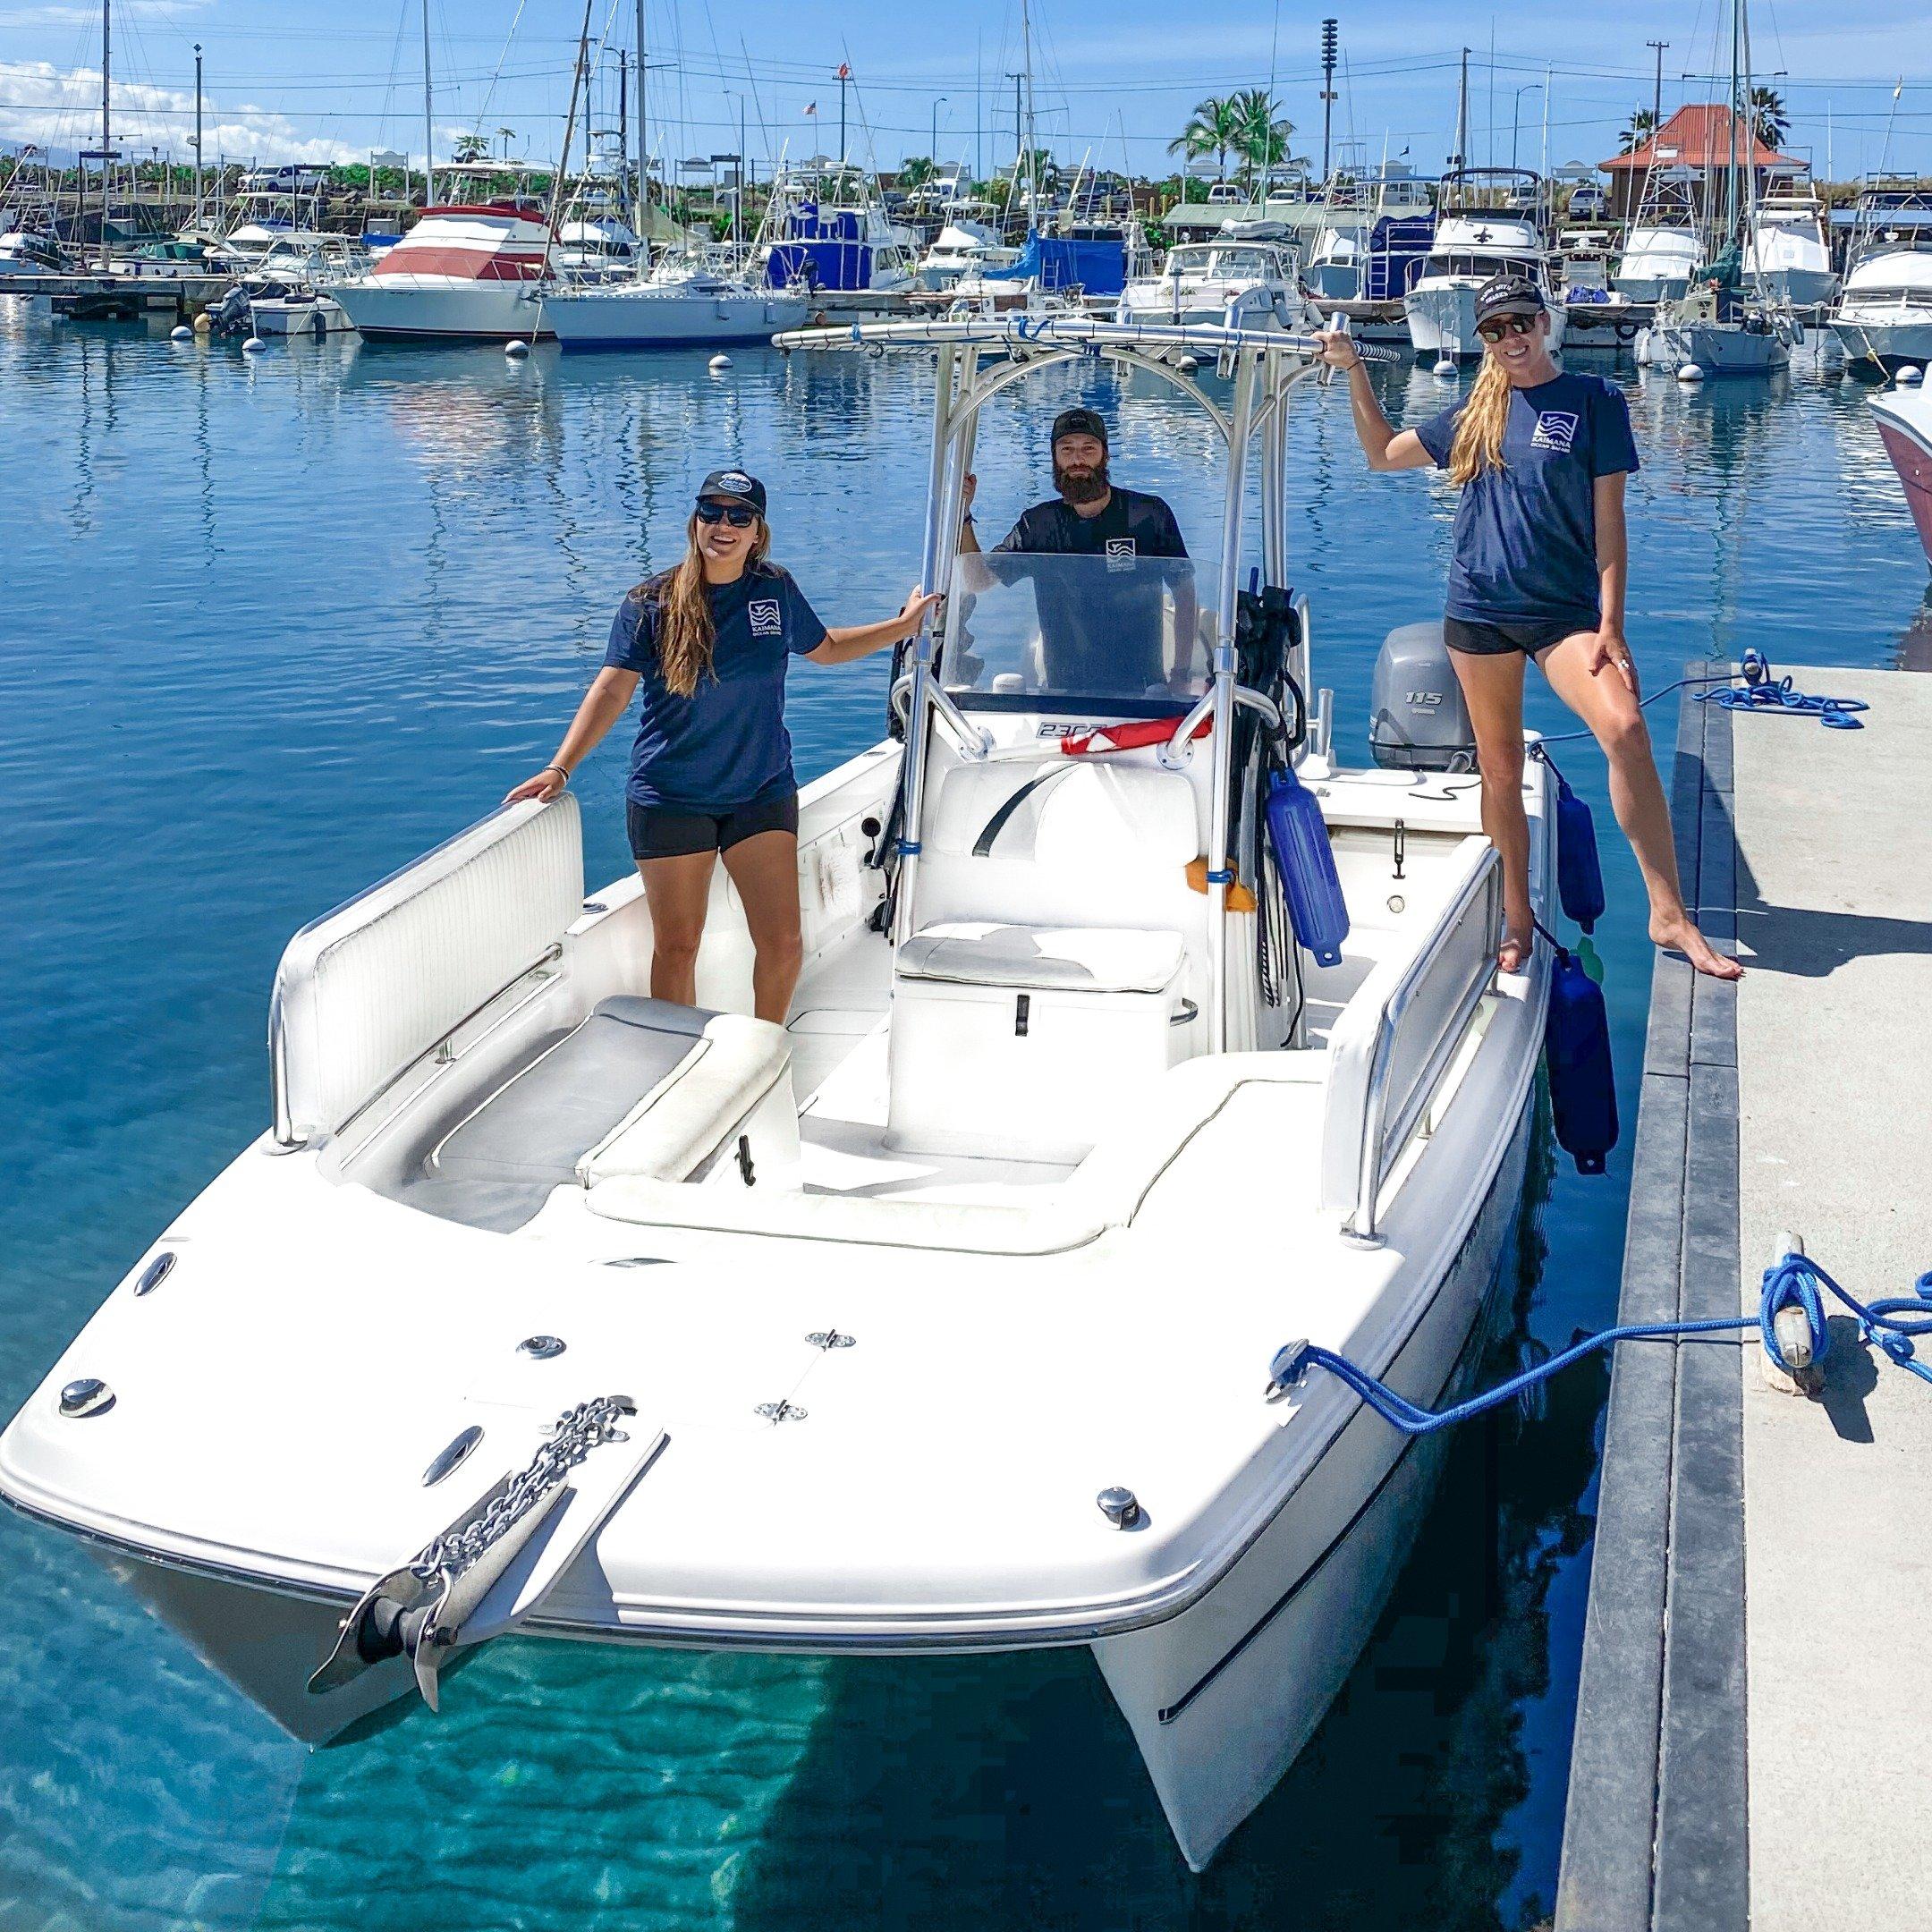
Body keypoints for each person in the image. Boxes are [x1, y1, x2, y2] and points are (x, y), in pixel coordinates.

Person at [1317, 275, 1741, 981]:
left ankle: (1667, 913)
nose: (1511, 337)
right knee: (1500, 767)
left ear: (1543, 324)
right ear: (1483, 339)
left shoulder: (1594, 401)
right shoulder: (1476, 412)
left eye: (1521, 322)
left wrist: (1612, 622)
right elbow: (1382, 454)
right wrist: (1356, 367)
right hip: (1480, 613)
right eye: (1495, 329)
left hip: (1565, 617)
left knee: (1626, 728)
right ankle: (1517, 917)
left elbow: (1611, 524)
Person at [505, 469, 937, 1022]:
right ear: (695, 523)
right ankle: (677, 1065)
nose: (724, 525)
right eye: (712, 512)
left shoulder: (773, 589)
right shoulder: (651, 603)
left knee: (783, 943)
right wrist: (560, 767)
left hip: (759, 791)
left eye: (739, 515)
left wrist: (902, 627)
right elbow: (612, 688)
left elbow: (825, 649)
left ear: (758, 531)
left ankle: (763, 1049)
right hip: (672, 797)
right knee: (679, 947)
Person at [955, 407, 1198, 691]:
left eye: (1088, 448)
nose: (1077, 459)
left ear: (1105, 455)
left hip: (1142, 689)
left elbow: (1184, 592)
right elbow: (977, 580)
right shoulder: (1038, 524)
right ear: (1055, 458)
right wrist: (963, 515)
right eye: (1066, 449)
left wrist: (1181, 672)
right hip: (1064, 689)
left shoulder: (1148, 513)